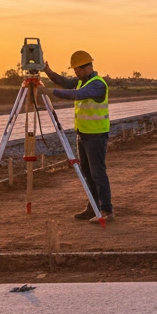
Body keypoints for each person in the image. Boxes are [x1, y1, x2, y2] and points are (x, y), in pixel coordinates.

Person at [43, 51, 114, 221]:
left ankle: (106, 210)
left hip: (96, 136)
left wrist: (47, 91)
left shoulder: (97, 85)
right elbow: (66, 84)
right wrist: (48, 71)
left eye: (77, 69)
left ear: (88, 67)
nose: (75, 73)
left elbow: (76, 95)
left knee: (98, 173)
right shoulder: (82, 81)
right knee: (87, 173)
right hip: (83, 134)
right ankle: (93, 207)